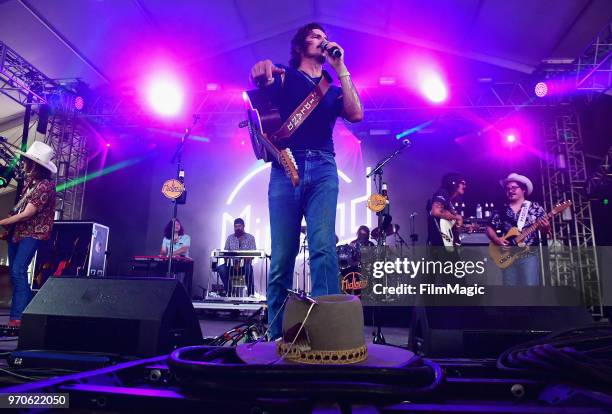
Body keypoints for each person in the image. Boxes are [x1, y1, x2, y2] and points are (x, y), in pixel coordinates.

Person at [249, 22, 363, 339]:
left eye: (325, 39)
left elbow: (356, 114)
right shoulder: (287, 75)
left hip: (324, 167)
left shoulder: (332, 87)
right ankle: (277, 336)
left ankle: (331, 333)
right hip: (287, 167)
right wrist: (263, 72)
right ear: (300, 46)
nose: (323, 42)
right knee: (282, 256)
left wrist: (340, 66)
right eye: (316, 37)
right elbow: (265, 76)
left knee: (323, 249)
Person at [0, 141, 56, 328]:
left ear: (35, 165)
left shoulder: (45, 186)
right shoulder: (30, 183)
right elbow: (20, 209)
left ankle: (18, 318)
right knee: (16, 274)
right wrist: (8, 226)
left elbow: (28, 213)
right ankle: (16, 317)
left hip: (33, 233)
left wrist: (3, 222)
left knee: (18, 271)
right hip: (18, 232)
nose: (23, 163)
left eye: (26, 161)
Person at [486, 173, 550, 286]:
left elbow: (547, 234)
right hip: (507, 256)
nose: (510, 191)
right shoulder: (502, 209)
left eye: (514, 188)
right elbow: (489, 228)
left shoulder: (535, 208)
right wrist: (497, 240)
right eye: (508, 189)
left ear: (523, 189)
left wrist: (546, 227)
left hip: (528, 255)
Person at [427, 173, 468, 248]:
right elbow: (435, 211)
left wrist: (466, 227)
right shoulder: (443, 192)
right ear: (454, 183)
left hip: (447, 244)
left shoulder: (450, 202)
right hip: (439, 244)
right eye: (462, 183)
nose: (465, 186)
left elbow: (451, 224)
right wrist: (456, 217)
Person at [217, 218, 257, 296]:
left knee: (248, 268)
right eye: (236, 226)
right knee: (221, 268)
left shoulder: (250, 238)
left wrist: (241, 262)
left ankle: (250, 293)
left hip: (244, 266)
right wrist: (228, 260)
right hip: (232, 266)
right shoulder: (230, 238)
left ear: (243, 226)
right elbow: (225, 253)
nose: (237, 228)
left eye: (239, 226)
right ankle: (229, 290)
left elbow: (252, 255)